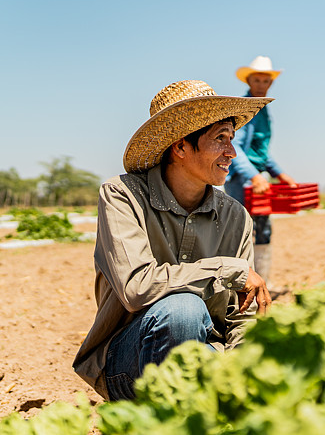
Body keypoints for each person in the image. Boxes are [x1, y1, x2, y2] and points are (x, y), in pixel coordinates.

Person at [72, 80, 273, 402]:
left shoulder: (235, 216)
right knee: (183, 310)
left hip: (206, 356)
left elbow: (240, 314)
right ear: (180, 147)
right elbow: (137, 287)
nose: (232, 152)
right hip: (130, 366)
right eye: (220, 139)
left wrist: (240, 371)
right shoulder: (122, 195)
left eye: (232, 139)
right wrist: (222, 270)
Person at [225, 56, 296, 285]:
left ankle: (262, 280)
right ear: (249, 80)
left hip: (257, 179)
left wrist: (279, 174)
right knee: (241, 230)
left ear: (270, 83)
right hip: (241, 179)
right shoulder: (245, 109)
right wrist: (254, 175)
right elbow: (235, 146)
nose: (261, 84)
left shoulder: (263, 110)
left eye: (265, 80)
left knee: (263, 228)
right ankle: (240, 282)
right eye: (257, 80)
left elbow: (260, 152)